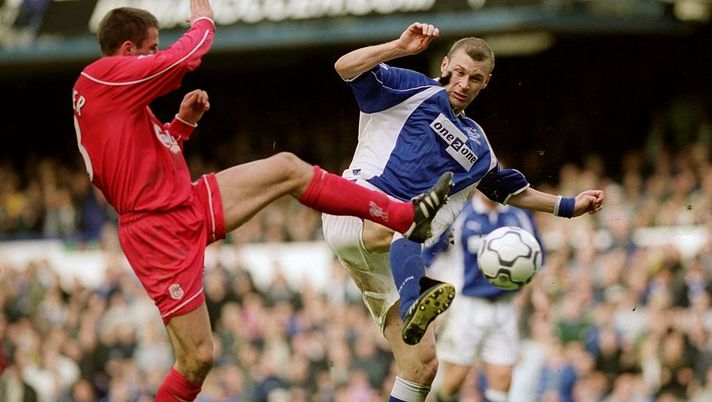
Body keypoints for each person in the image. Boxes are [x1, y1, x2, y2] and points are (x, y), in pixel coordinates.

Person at [70, 4, 453, 401]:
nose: (156, 53)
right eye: (151, 47)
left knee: (287, 167)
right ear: (129, 50)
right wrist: (204, 22)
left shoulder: (108, 95)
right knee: (197, 360)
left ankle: (404, 215)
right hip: (157, 230)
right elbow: (184, 58)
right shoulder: (103, 77)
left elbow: (139, 163)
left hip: (184, 200)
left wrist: (182, 125)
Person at [321, 22, 604, 402]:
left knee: (422, 367)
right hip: (354, 210)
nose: (463, 83)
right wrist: (400, 47)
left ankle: (414, 302)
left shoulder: (477, 145)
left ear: (485, 83)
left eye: (475, 78)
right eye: (457, 72)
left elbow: (507, 189)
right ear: (445, 64)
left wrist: (569, 206)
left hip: (390, 253)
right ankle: (415, 300)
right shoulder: (410, 88)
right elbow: (345, 67)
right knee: (412, 219)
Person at [425, 191, 544, 402]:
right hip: (467, 305)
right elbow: (429, 255)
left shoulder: (519, 216)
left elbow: (536, 260)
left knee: (503, 379)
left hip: (505, 306)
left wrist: (529, 298)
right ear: (479, 185)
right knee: (454, 379)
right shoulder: (460, 215)